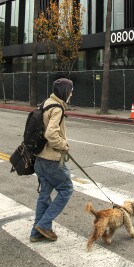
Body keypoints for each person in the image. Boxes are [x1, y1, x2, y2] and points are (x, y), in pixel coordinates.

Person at [30, 78, 74, 242]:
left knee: (44, 195)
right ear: (65, 91)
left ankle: (36, 233)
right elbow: (51, 134)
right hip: (51, 160)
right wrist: (64, 145)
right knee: (66, 189)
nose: (72, 93)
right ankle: (45, 224)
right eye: (70, 90)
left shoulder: (46, 103)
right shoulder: (57, 109)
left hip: (40, 159)